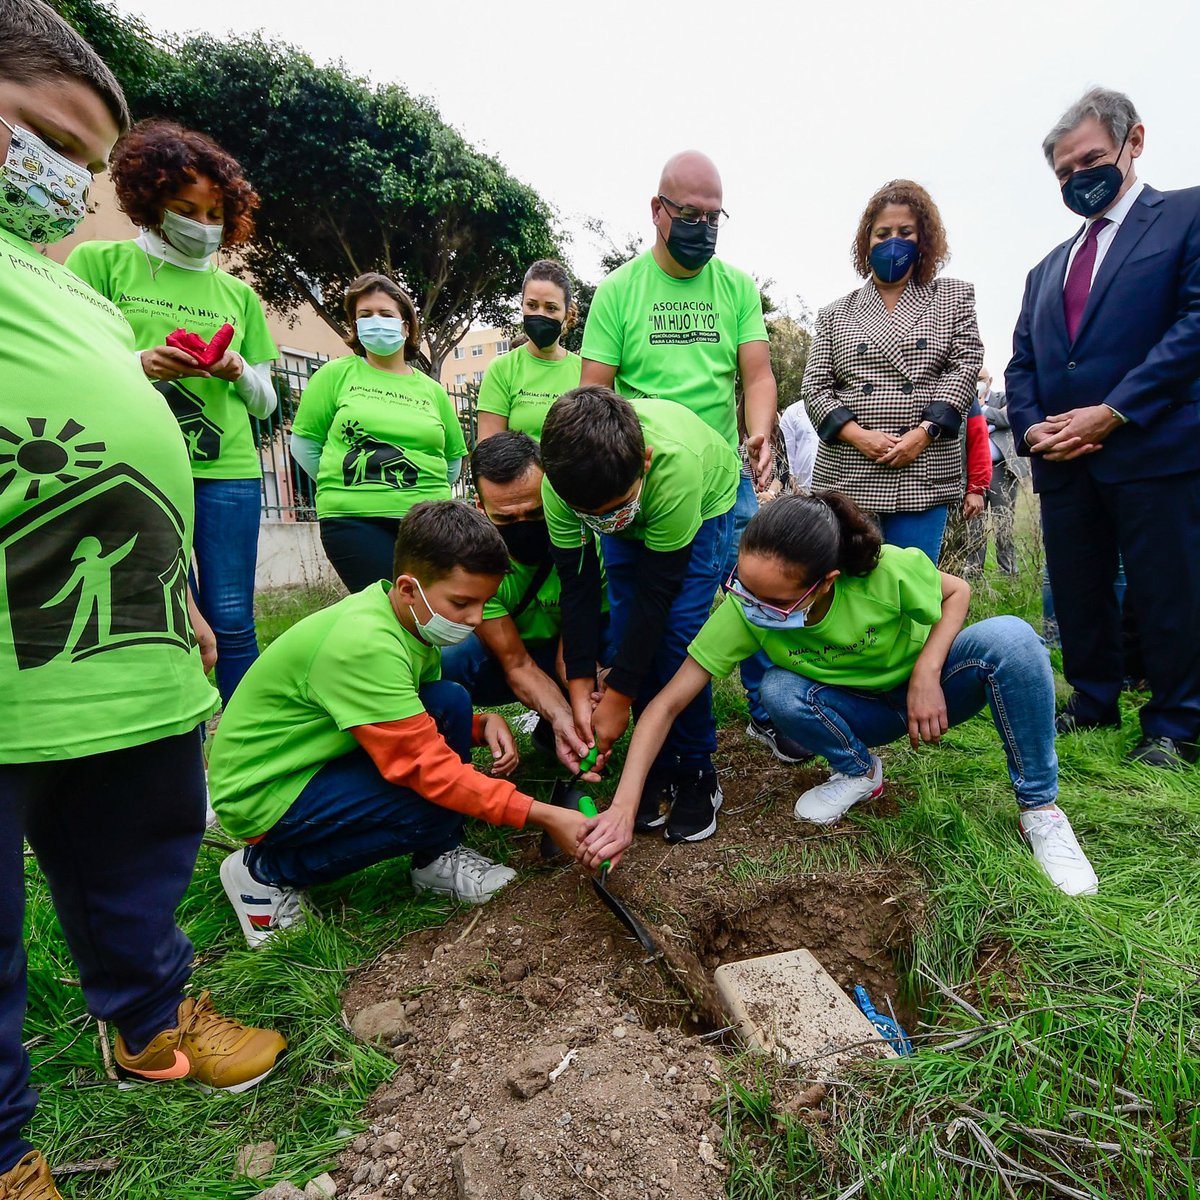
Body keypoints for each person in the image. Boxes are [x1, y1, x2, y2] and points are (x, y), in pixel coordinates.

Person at [0, 7, 285, 1194]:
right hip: (19, 658)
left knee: (138, 846)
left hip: (129, 637)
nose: (64, 180)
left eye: (81, 159)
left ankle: (149, 1023)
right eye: (43, 139)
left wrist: (182, 599)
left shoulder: (68, 289)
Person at [578, 494, 1100, 898]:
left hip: (932, 696)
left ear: (826, 582)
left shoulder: (885, 571)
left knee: (1012, 638)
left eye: (774, 600)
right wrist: (624, 807)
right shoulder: (744, 610)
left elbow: (957, 591)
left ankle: (1041, 811)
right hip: (857, 714)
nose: (754, 606)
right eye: (745, 588)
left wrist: (926, 672)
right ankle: (859, 772)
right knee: (778, 688)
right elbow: (667, 703)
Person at [209, 502, 593, 946]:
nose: (474, 619)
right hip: (263, 792)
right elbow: (427, 769)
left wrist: (478, 723)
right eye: (463, 602)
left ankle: (435, 861)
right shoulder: (365, 645)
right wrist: (545, 816)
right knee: (430, 805)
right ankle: (262, 874)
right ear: (410, 587)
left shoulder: (403, 620)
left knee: (450, 700)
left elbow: (412, 714)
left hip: (311, 762)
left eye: (484, 603)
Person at [578, 151, 799, 765]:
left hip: (721, 475)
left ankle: (767, 710)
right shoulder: (620, 292)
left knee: (758, 590)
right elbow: (594, 390)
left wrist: (759, 433)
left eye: (714, 214)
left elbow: (756, 375)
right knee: (646, 608)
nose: (704, 226)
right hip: (641, 476)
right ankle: (652, 728)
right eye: (690, 213)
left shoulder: (735, 287)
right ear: (658, 211)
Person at [1006, 87, 1200, 768]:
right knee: (1081, 588)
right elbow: (1023, 361)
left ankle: (1174, 724)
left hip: (1154, 445)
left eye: (1089, 159)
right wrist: (1031, 431)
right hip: (1062, 460)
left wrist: (1114, 410)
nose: (1077, 177)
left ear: (1133, 142)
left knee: (1167, 588)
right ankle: (1091, 702)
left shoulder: (1186, 215)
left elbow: (1193, 326)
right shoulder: (1043, 270)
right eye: (1063, 172)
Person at [66, 120, 278, 705]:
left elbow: (268, 399)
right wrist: (139, 362)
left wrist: (237, 372)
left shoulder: (239, 296)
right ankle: (175, 732)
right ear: (150, 199)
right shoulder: (100, 264)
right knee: (157, 612)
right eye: (188, 209)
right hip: (136, 470)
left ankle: (244, 741)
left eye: (216, 215)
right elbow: (73, 368)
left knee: (233, 614)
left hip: (226, 473)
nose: (204, 226)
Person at [540, 387, 738, 843]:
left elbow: (658, 594)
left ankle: (695, 768)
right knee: (627, 631)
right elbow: (579, 587)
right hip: (637, 501)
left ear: (644, 461)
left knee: (676, 641)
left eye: (614, 509)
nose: (608, 522)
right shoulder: (564, 484)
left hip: (699, 507)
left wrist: (617, 702)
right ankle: (656, 764)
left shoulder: (674, 468)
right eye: (591, 516)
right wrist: (581, 695)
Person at [802, 180, 983, 563]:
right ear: (866, 241)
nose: (893, 241)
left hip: (923, 467)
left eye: (905, 232)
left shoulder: (954, 296)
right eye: (882, 233)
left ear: (924, 239)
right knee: (848, 586)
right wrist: (858, 435)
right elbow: (815, 387)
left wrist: (925, 432)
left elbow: (965, 365)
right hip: (849, 470)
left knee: (910, 590)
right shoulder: (835, 313)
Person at [290, 273, 467, 592]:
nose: (375, 321)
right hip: (354, 520)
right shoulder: (334, 376)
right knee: (387, 608)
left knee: (431, 612)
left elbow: (453, 461)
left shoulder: (432, 391)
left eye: (386, 314)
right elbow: (304, 445)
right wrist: (344, 483)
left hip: (428, 522)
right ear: (354, 325)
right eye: (365, 315)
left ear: (406, 326)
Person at [440, 432, 605, 772]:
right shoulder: (473, 566)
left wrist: (580, 698)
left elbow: (571, 652)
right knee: (451, 660)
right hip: (513, 661)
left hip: (576, 648)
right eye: (506, 519)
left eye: (534, 513)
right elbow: (516, 665)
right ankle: (445, 759)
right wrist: (563, 715)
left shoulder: (587, 543)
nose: (523, 527)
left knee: (629, 641)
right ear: (480, 508)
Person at [475, 259, 581, 441]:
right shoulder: (503, 369)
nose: (540, 314)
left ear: (567, 314)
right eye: (532, 305)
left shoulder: (584, 370)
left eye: (551, 308)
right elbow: (489, 453)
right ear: (522, 306)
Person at [975, 370, 1029, 576]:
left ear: (990, 380)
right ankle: (973, 572)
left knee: (1003, 521)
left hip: (1002, 470)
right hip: (975, 470)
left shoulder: (1004, 398)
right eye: (975, 379)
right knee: (974, 524)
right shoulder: (965, 400)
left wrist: (984, 409)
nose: (978, 383)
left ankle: (1008, 571)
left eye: (981, 379)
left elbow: (1010, 417)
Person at [937, 391, 993, 576]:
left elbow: (978, 439)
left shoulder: (964, 393)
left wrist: (976, 488)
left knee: (950, 561)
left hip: (954, 494)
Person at [780, 399, 818, 493]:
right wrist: (792, 480)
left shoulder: (842, 406)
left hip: (834, 483)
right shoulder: (792, 411)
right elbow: (786, 452)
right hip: (801, 487)